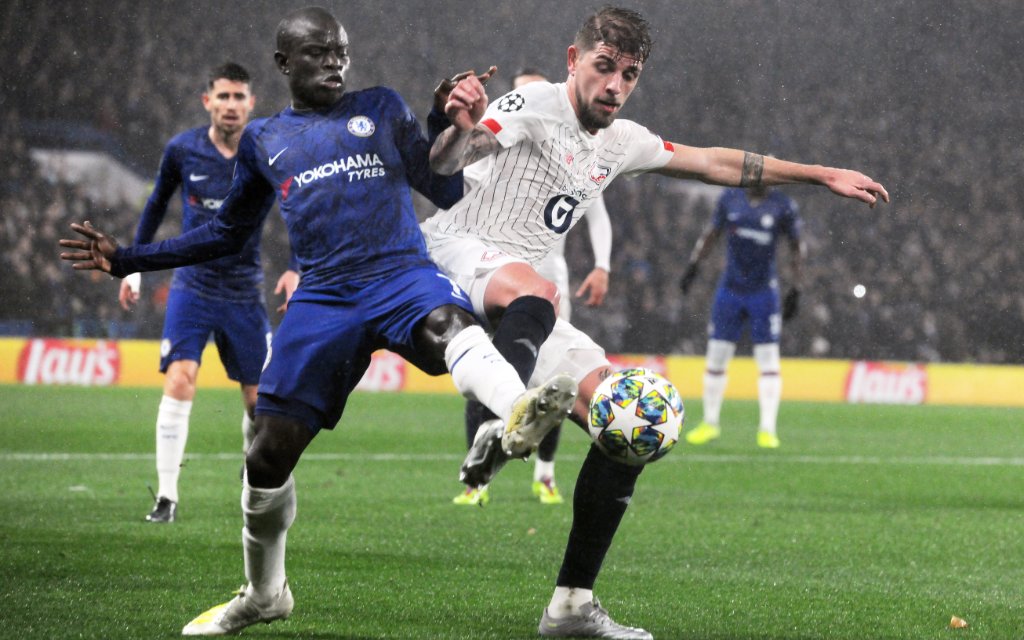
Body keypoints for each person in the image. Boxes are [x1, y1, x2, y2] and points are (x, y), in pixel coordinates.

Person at [59, 7, 577, 636]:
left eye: (340, 52)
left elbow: (441, 188)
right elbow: (226, 234)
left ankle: (516, 413)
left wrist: (445, 120)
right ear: (284, 62)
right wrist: (128, 260)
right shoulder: (263, 140)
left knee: (449, 324)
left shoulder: (383, 107)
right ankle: (264, 593)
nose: (334, 62)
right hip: (324, 295)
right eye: (317, 53)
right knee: (267, 456)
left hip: (398, 272)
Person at [428, 6, 888, 638]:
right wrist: (458, 127)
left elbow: (714, 163)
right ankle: (506, 418)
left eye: (630, 73)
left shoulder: (622, 143)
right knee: (535, 294)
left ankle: (569, 605)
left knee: (631, 422)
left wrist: (819, 174)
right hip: (453, 258)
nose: (614, 85)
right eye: (603, 67)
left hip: (524, 293)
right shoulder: (532, 100)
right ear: (573, 61)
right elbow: (454, 160)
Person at [118, 62, 300, 524]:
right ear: (208, 102)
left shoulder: (265, 153)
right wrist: (134, 266)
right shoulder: (183, 150)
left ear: (252, 103)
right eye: (223, 97)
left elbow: (297, 207)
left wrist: (297, 267)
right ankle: (166, 496)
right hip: (192, 288)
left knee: (258, 402)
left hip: (243, 293)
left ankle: (250, 469)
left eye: (240, 97)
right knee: (181, 377)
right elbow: (157, 202)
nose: (232, 106)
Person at [454, 67, 613, 507]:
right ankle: (478, 481)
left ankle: (544, 474)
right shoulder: (495, 149)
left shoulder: (578, 155)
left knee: (553, 381)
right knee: (490, 368)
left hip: (547, 283)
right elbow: (459, 188)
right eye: (521, 95)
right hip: (492, 277)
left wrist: (601, 265)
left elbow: (597, 215)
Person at [679, 183, 805, 449]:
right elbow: (710, 234)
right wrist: (693, 266)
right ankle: (710, 423)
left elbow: (796, 246)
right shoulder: (730, 199)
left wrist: (797, 287)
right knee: (717, 355)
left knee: (768, 359)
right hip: (730, 290)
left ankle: (767, 429)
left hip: (764, 292)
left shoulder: (782, 205)